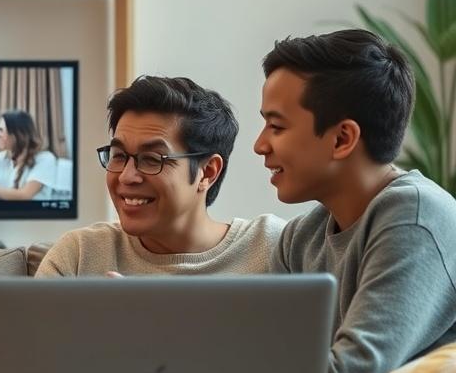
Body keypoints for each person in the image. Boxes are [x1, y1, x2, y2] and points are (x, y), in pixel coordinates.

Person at [254, 29, 456, 373]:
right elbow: (268, 357)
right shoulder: (299, 239)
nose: (260, 145)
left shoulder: (415, 214)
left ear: (342, 138)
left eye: (276, 127)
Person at [37, 76, 284, 276]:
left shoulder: (273, 247)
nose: (126, 177)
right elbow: (32, 337)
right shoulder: (79, 256)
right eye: (119, 155)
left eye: (152, 159)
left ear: (207, 172)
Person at [0, 110, 59, 200]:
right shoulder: (2, 157)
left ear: (17, 134)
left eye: (2, 130)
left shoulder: (45, 159)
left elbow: (24, 196)